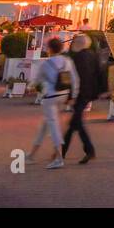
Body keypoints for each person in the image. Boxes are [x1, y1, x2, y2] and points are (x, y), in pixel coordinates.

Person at [30, 36, 77, 170]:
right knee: (46, 124)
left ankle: (59, 158)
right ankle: (31, 154)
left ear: (50, 49)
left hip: (50, 96)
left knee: (53, 126)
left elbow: (38, 79)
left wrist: (30, 87)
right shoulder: (67, 61)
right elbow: (74, 79)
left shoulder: (46, 63)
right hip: (64, 94)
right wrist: (73, 96)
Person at [62, 33, 99, 165]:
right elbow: (99, 73)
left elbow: (76, 79)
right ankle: (62, 151)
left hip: (81, 93)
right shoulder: (93, 55)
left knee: (76, 123)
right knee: (74, 124)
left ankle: (89, 150)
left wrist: (72, 96)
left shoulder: (78, 58)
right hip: (88, 92)